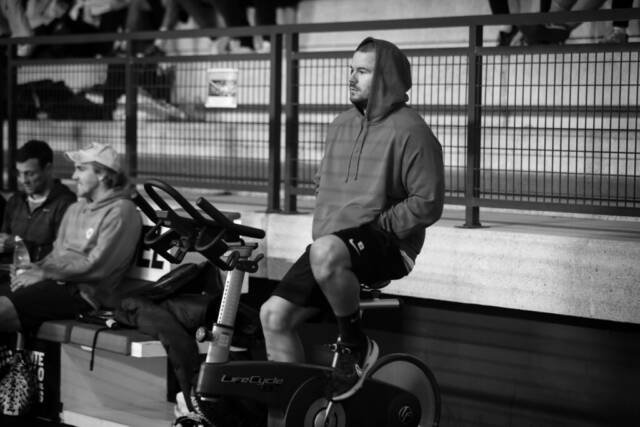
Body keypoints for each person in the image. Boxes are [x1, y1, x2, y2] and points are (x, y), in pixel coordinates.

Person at [259, 37, 445, 403]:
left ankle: (353, 343)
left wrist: (380, 226)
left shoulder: (412, 130)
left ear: (386, 77)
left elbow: (428, 202)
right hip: (331, 248)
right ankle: (297, 411)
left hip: (388, 242)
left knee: (326, 251)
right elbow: (322, 182)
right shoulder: (340, 125)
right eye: (351, 69)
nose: (352, 78)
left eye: (362, 71)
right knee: (273, 316)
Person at [0, 142, 142, 335]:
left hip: (83, 294)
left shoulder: (121, 211)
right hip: (56, 282)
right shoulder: (76, 208)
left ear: (101, 174)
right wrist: (32, 268)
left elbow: (98, 267)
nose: (74, 176)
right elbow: (56, 254)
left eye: (81, 169)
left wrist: (45, 273)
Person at [0, 140, 76, 266]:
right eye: (19, 173)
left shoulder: (66, 203)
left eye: (30, 174)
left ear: (48, 169)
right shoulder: (15, 201)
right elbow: (5, 239)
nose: (23, 180)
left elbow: (63, 254)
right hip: (11, 271)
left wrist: (20, 245)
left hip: (45, 274)